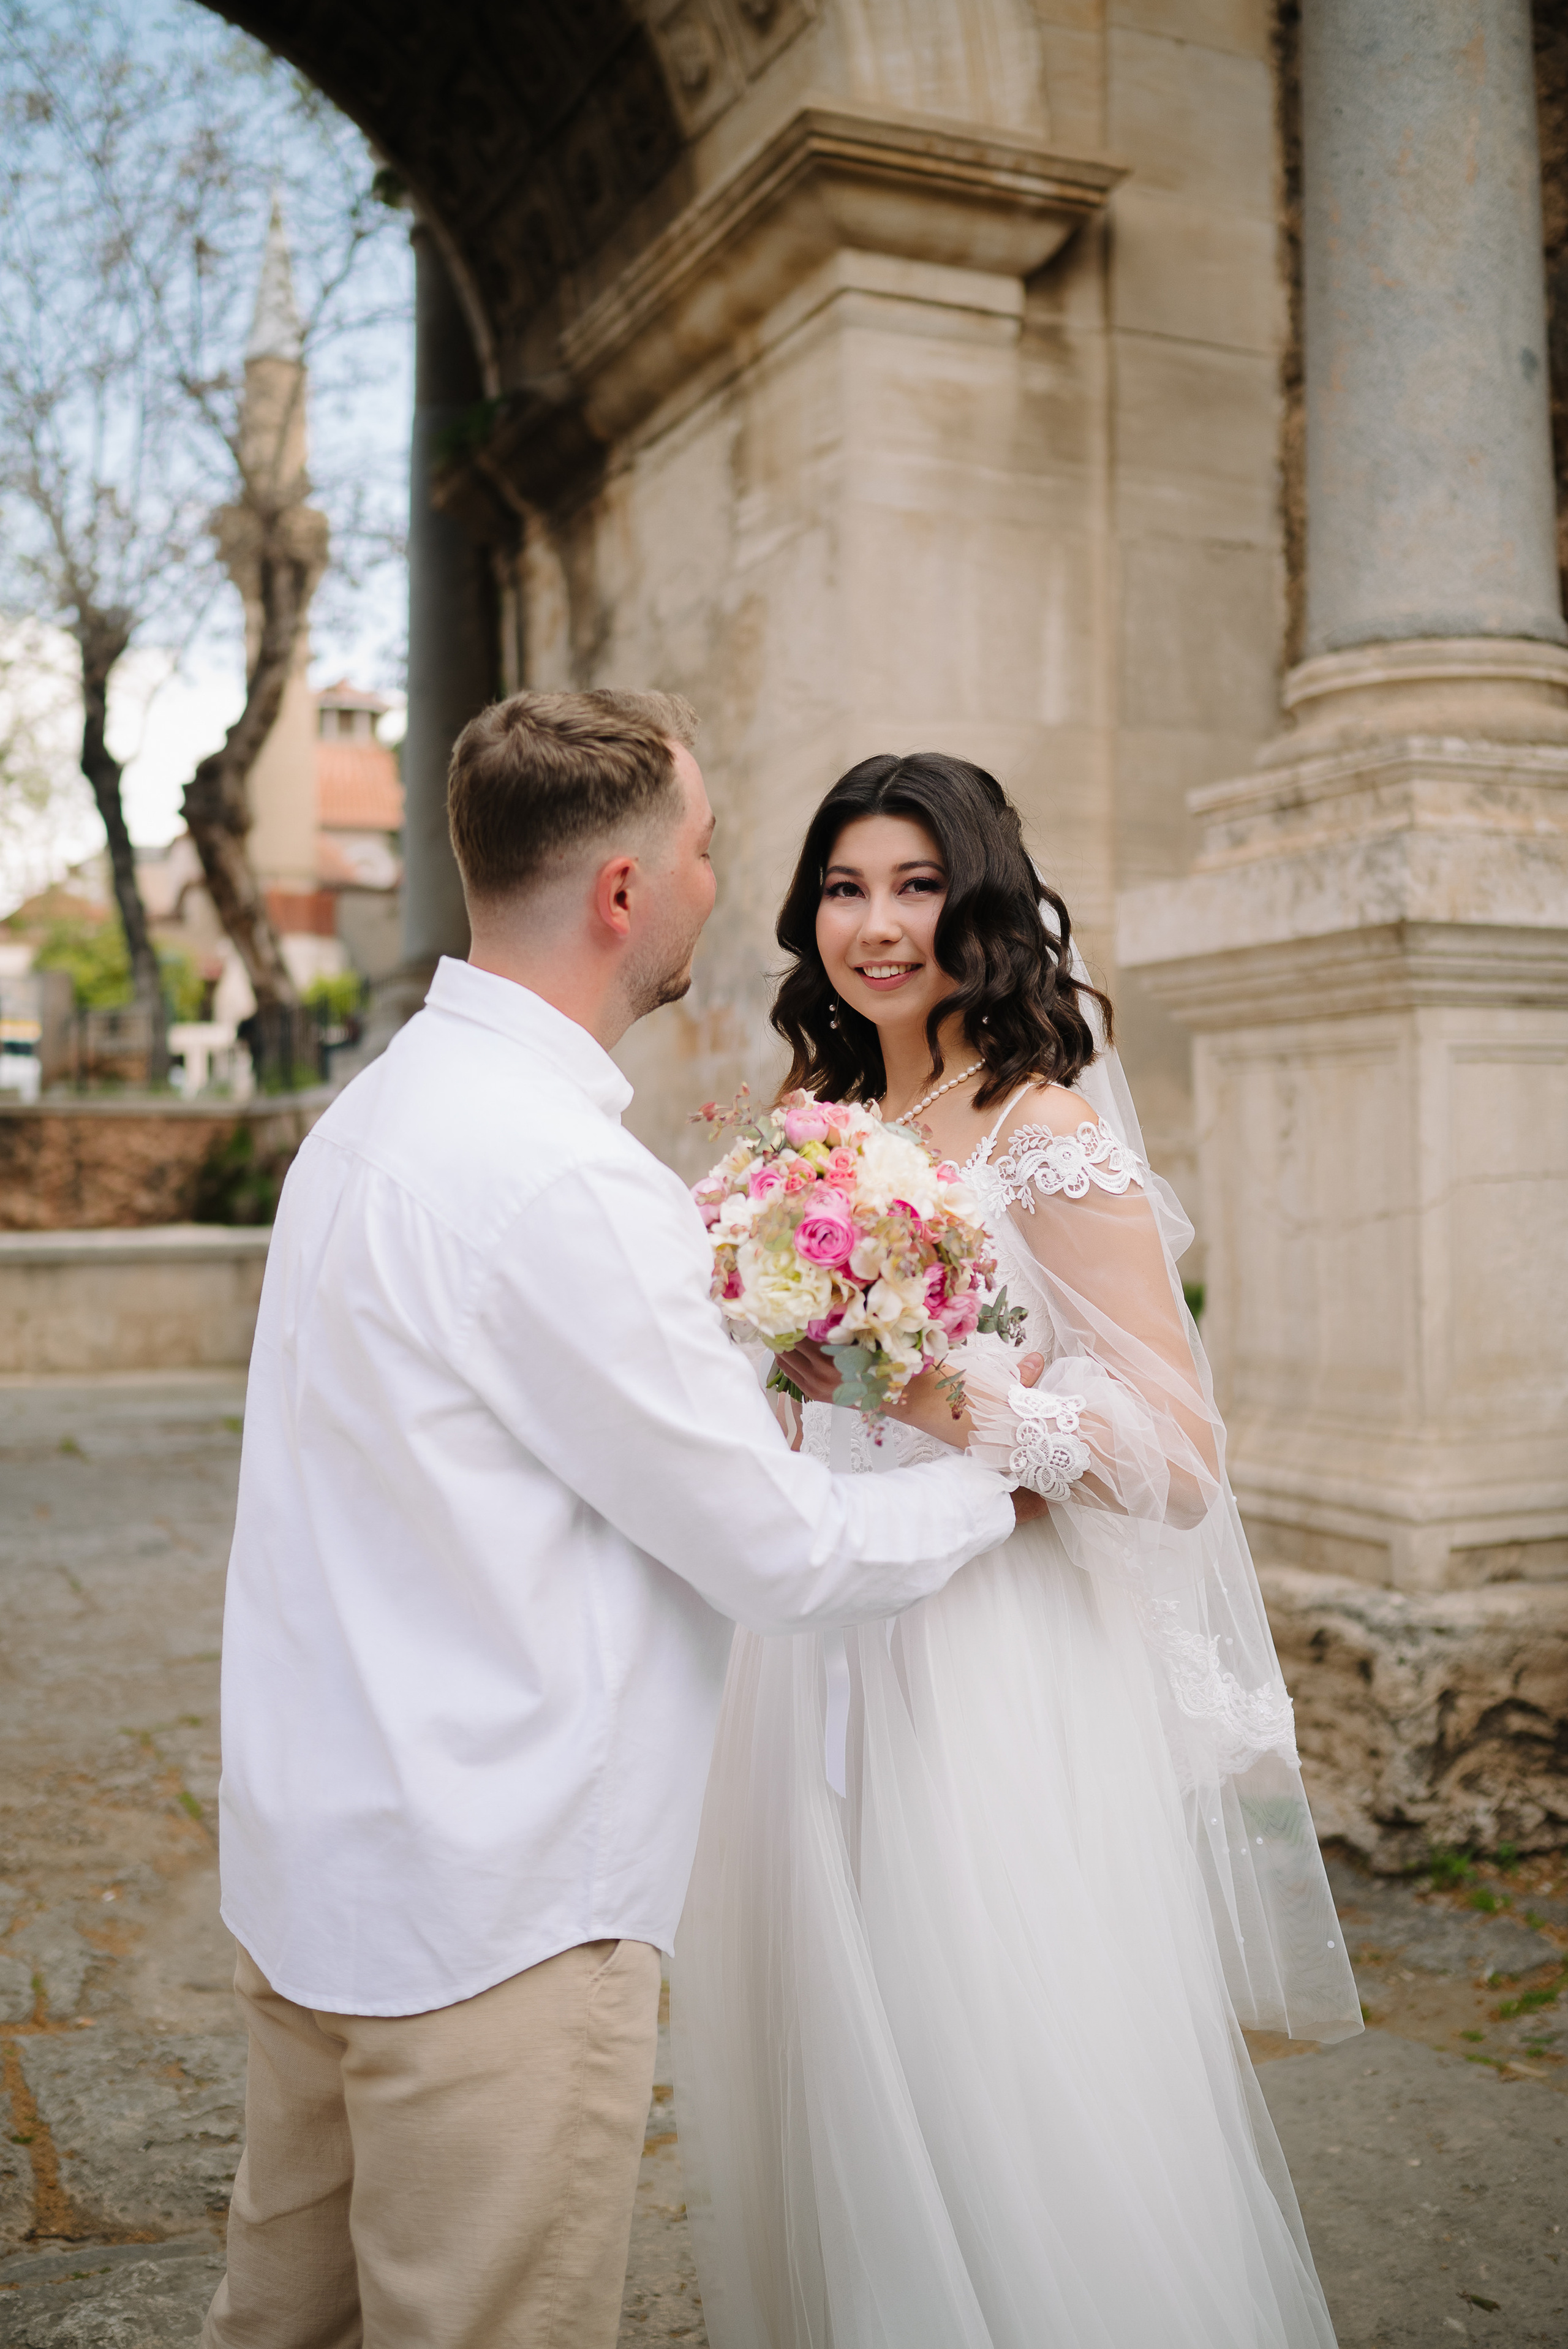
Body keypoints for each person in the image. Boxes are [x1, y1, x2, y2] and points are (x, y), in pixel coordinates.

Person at [201, 695, 1046, 2349]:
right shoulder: (565, 1182)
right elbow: (779, 1549)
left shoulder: (363, 1121)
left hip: (313, 1881)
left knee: (280, 2324)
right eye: (709, 848)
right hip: (493, 1922)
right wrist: (996, 1483)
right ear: (617, 893)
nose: (723, 883)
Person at [673, 751, 1363, 2349]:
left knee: (982, 2049)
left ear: (980, 902)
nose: (876, 922)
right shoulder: (812, 1123)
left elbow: (1182, 1454)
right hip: (813, 1640)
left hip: (987, 1657)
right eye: (845, 886)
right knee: (829, 2061)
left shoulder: (1044, 1128)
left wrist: (953, 1399)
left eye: (915, 884)